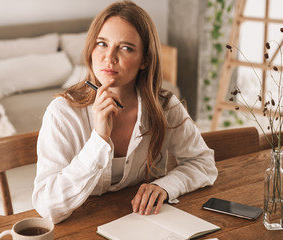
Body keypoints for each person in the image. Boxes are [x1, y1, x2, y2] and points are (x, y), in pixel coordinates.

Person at [32, 0, 218, 224]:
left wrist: (166, 186)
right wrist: (99, 139)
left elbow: (203, 163)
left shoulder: (166, 106)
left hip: (147, 223)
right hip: (82, 226)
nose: (109, 57)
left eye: (126, 48)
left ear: (145, 60)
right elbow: (47, 207)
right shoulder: (62, 112)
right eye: (102, 43)